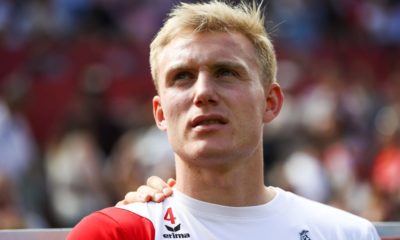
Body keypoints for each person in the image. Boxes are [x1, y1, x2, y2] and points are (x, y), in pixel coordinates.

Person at [67, 1, 380, 239]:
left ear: (270, 103)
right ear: (160, 113)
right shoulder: (115, 234)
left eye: (226, 73)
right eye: (182, 76)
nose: (203, 92)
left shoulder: (347, 234)